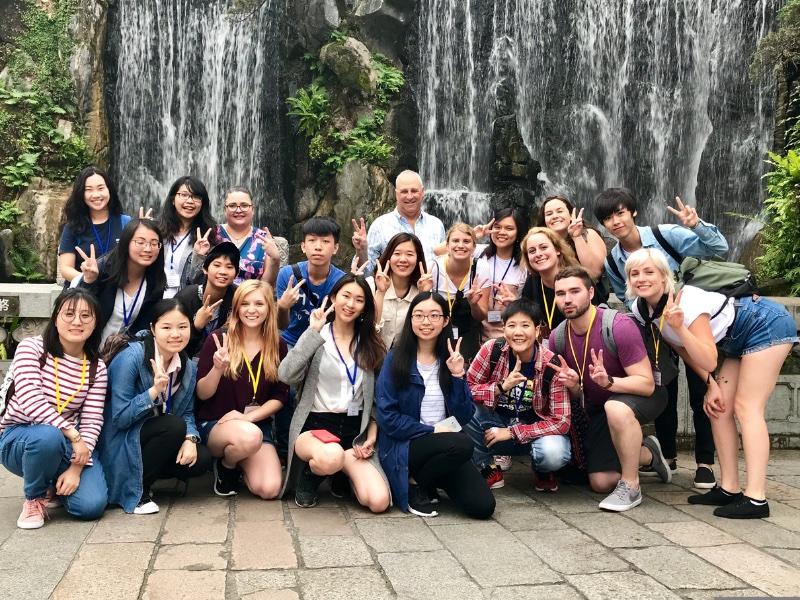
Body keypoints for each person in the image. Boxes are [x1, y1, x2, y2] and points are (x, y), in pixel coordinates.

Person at [625, 249, 798, 518]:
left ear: (664, 277)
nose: (641, 278)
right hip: (734, 339)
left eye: (649, 272)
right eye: (635, 273)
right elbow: (683, 350)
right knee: (718, 410)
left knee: (746, 408)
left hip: (764, 323)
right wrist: (711, 384)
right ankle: (729, 488)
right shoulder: (641, 308)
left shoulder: (687, 300)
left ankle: (756, 498)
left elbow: (706, 356)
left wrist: (680, 325)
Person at [594, 188, 729, 488]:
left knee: (701, 387)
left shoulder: (666, 234)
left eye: (619, 212)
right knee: (662, 386)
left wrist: (695, 225)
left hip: (692, 321)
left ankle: (705, 462)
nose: (615, 221)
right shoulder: (613, 261)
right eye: (607, 218)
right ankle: (667, 455)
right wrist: (649, 318)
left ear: (632, 212)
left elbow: (718, 247)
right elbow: (624, 295)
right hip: (655, 329)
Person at [549, 266, 671, 512]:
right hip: (599, 407)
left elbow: (647, 384)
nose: (568, 299)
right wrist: (573, 386)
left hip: (641, 395)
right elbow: (578, 396)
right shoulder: (558, 337)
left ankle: (631, 485)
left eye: (575, 291)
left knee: (615, 406)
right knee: (601, 482)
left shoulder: (618, 325)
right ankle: (647, 453)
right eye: (561, 293)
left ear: (591, 292)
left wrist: (610, 382)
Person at [376, 291, 495, 519]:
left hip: (446, 445)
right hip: (406, 445)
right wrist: (432, 430)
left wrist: (458, 375)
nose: (426, 322)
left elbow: (464, 415)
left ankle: (426, 479)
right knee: (462, 444)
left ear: (445, 320)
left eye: (433, 315)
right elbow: (387, 418)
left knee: (482, 507)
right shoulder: (395, 359)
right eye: (419, 315)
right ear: (411, 320)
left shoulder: (450, 359)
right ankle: (413, 483)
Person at [278, 274, 390, 512]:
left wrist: (371, 432)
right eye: (346, 296)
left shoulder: (371, 343)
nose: (350, 304)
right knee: (331, 456)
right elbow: (286, 375)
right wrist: (311, 333)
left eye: (359, 300)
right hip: (315, 427)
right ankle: (310, 475)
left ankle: (341, 472)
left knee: (378, 501)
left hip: (353, 432)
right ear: (332, 299)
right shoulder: (318, 336)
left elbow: (379, 398)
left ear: (365, 308)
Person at [0, 289, 108, 529]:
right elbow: (30, 400)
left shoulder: (96, 367)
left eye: (85, 316)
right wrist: (72, 433)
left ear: (95, 323)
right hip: (20, 437)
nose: (77, 321)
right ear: (56, 317)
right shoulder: (32, 348)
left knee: (91, 505)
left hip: (66, 444)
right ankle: (34, 498)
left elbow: (92, 418)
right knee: (46, 436)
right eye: (69, 314)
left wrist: (76, 468)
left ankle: (53, 484)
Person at [97, 299, 212, 514]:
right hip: (121, 437)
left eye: (182, 327)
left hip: (154, 433)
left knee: (201, 458)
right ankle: (136, 491)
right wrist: (153, 392)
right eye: (166, 327)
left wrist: (190, 438)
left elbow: (187, 411)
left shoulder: (186, 366)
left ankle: (142, 477)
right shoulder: (132, 357)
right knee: (173, 426)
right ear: (152, 329)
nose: (175, 334)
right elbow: (119, 417)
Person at [465, 299, 572, 492]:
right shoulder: (492, 350)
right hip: (494, 426)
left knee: (554, 453)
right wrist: (500, 388)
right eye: (512, 325)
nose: (518, 332)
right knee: (464, 408)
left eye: (525, 325)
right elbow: (466, 389)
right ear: (503, 329)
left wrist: (514, 432)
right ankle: (487, 468)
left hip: (533, 432)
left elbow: (561, 421)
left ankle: (542, 470)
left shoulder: (551, 364)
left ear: (537, 330)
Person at [196, 280, 288, 499]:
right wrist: (217, 369)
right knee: (249, 437)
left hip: (254, 426)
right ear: (236, 307)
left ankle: (239, 460)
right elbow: (202, 394)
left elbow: (280, 395)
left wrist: (248, 418)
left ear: (269, 308)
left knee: (270, 489)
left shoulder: (277, 344)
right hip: (217, 424)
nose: (252, 310)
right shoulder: (219, 339)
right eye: (245, 303)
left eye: (259, 304)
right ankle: (227, 465)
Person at [75, 218, 167, 345]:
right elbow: (78, 309)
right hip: (87, 347)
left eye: (154, 243)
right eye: (140, 242)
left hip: (122, 354)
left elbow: (144, 327)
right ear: (125, 242)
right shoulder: (102, 269)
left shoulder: (155, 280)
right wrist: (89, 280)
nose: (148, 249)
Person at [58, 166, 131, 284]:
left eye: (101, 188)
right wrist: (88, 278)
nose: (96, 195)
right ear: (81, 194)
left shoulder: (126, 223)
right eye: (89, 189)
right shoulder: (73, 227)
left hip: (114, 293)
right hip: (82, 294)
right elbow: (66, 269)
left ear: (109, 190)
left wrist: (144, 228)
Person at [365, 170, 445, 269]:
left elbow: (444, 265)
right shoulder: (380, 226)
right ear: (396, 194)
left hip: (432, 284)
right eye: (404, 191)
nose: (410, 196)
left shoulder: (436, 225)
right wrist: (360, 250)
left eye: (414, 191)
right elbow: (366, 272)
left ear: (422, 192)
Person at [429, 223, 484, 363]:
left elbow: (481, 315)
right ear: (447, 246)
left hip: (469, 333)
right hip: (437, 333)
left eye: (466, 241)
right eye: (455, 241)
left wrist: (474, 304)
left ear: (474, 247)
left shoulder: (481, 267)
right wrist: (423, 293)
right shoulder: (434, 268)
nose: (460, 245)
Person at [175, 242, 239, 358]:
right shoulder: (186, 298)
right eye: (217, 265)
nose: (223, 271)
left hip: (225, 359)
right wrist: (196, 327)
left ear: (236, 273)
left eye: (229, 267)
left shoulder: (238, 297)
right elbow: (173, 340)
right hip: (185, 359)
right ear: (205, 269)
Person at [158, 176, 218, 298]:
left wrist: (199, 256)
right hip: (153, 301)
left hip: (185, 304)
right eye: (184, 195)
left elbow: (200, 282)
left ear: (202, 204)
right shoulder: (156, 231)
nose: (190, 201)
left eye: (196, 197)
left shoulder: (208, 237)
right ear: (173, 199)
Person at [474, 208, 529, 342]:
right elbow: (438, 251)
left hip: (511, 337)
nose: (501, 232)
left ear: (518, 233)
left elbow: (531, 304)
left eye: (509, 228)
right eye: (497, 227)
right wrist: (473, 235)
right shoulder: (479, 252)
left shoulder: (525, 264)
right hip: (477, 335)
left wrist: (516, 302)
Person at [369, 232, 430, 350]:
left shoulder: (422, 289)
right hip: (370, 358)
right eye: (397, 253)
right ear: (389, 257)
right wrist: (380, 292)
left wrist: (424, 295)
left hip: (405, 360)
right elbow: (368, 328)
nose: (403, 259)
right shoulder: (371, 285)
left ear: (418, 259)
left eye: (410, 254)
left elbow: (425, 331)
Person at [519, 227, 582, 336]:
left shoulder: (577, 279)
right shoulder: (531, 282)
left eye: (543, 247)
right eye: (532, 251)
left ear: (557, 249)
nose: (538, 254)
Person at [216, 186, 281, 285]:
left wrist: (275, 259)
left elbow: (267, 284)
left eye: (244, 205)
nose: (238, 210)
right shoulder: (212, 234)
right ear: (225, 210)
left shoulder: (263, 239)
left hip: (251, 299)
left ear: (253, 209)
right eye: (232, 205)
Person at [538, 195, 607, 281]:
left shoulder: (588, 234)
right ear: (544, 220)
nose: (555, 216)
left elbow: (594, 273)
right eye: (549, 214)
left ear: (571, 215)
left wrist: (577, 237)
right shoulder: (541, 243)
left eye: (559, 211)